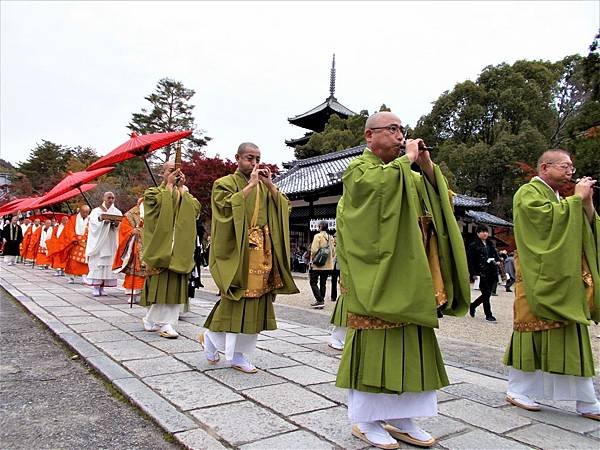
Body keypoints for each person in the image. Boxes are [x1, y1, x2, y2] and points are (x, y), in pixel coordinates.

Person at [334, 112, 470, 448]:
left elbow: (441, 202)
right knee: (377, 340)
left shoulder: (407, 173)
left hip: (411, 270)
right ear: (369, 136)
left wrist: (425, 166)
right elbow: (369, 194)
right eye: (392, 129)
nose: (399, 135)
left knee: (413, 341)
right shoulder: (359, 169)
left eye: (401, 130)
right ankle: (365, 420)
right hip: (379, 274)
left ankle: (403, 417)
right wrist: (407, 161)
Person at [503, 149, 600, 420]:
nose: (571, 171)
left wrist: (587, 203)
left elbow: (584, 227)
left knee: (570, 331)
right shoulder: (528, 192)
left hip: (561, 278)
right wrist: (577, 199)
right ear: (545, 168)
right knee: (530, 330)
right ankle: (518, 389)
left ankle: (586, 399)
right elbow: (542, 221)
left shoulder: (560, 199)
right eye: (564, 166)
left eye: (571, 166)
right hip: (537, 276)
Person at [200, 142, 298, 373]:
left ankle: (228, 347)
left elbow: (284, 208)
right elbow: (224, 208)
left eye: (257, 158)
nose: (254, 163)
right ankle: (222, 344)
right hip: (239, 252)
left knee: (256, 301)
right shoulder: (223, 183)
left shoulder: (264, 187)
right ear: (238, 158)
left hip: (262, 251)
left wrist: (270, 185)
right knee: (237, 298)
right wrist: (250, 185)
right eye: (249, 158)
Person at [140, 161, 200, 339]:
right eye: (171, 171)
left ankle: (162, 321)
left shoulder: (186, 194)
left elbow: (195, 210)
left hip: (179, 247)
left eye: (179, 171)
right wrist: (169, 187)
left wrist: (181, 190)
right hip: (161, 246)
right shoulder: (152, 193)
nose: (176, 174)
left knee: (174, 285)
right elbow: (155, 209)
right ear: (163, 173)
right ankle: (163, 323)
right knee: (161, 285)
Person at [85, 192, 122, 296]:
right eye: (109, 198)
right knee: (98, 263)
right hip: (99, 242)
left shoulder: (117, 211)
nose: (111, 200)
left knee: (108, 265)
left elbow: (120, 224)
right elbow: (93, 224)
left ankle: (102, 287)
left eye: (113, 198)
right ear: (104, 198)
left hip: (110, 240)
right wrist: (102, 221)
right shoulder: (96, 211)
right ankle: (96, 287)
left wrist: (115, 223)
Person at [113, 198, 146, 302]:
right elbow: (123, 229)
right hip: (135, 244)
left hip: (148, 244)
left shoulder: (153, 213)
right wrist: (132, 231)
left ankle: (144, 292)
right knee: (134, 270)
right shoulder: (130, 214)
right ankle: (132, 294)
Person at [467, 225, 501, 322]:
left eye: (486, 231)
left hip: (492, 271)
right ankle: (488, 314)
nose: (485, 233)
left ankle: (473, 305)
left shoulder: (490, 244)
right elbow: (471, 261)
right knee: (486, 293)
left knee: (487, 293)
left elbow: (496, 255)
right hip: (481, 272)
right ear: (478, 233)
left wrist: (497, 261)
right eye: (482, 231)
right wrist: (473, 273)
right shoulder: (473, 245)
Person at [309, 221, 335, 309]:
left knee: (313, 282)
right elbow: (333, 252)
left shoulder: (318, 236)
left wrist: (312, 259)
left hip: (317, 264)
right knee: (323, 283)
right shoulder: (331, 237)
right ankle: (321, 301)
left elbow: (314, 250)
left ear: (320, 227)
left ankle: (319, 300)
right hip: (327, 264)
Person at [64, 205, 91, 284]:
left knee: (84, 260)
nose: (85, 214)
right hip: (75, 241)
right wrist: (73, 239)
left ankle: (84, 275)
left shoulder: (90, 219)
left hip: (86, 242)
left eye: (87, 212)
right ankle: (71, 277)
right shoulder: (73, 219)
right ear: (80, 211)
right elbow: (69, 230)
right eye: (83, 212)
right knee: (73, 260)